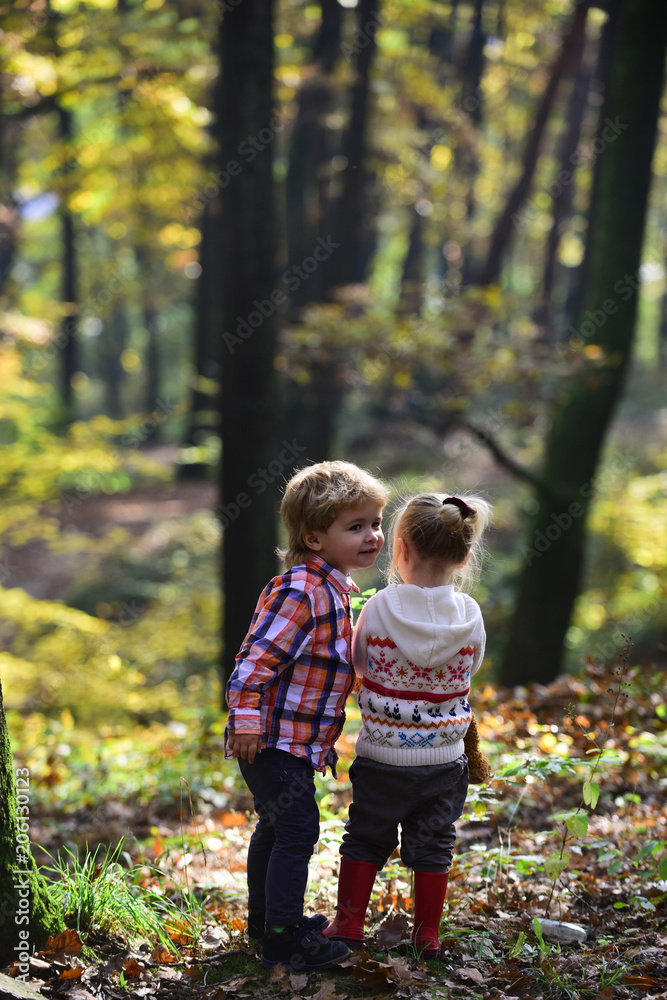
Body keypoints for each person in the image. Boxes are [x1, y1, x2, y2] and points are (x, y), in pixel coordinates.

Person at [225, 460, 388, 971]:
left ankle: (266, 922)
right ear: (315, 538)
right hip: (272, 740)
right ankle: (284, 936)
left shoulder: (336, 590)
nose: (373, 536)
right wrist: (247, 719)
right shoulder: (302, 590)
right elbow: (253, 662)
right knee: (297, 831)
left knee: (274, 830)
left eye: (376, 523)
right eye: (355, 526)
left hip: (291, 743)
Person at [323, 490, 492, 958]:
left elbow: (357, 662)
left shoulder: (379, 607)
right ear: (464, 555)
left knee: (365, 837)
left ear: (401, 548)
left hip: (383, 756)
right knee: (435, 842)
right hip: (445, 759)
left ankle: (349, 924)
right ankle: (427, 935)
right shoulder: (471, 615)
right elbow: (472, 665)